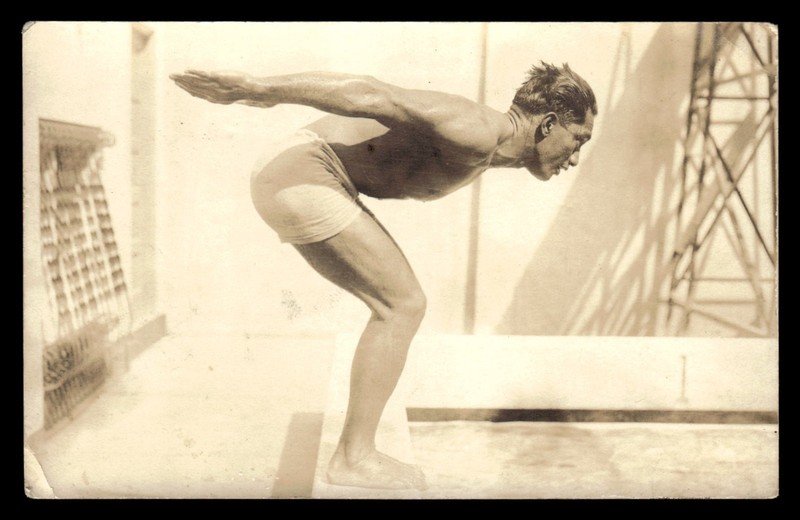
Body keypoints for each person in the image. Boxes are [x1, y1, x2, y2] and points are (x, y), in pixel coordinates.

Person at [170, 63, 597, 490]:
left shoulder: (494, 149)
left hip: (300, 174)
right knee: (402, 305)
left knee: (399, 304)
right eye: (578, 140)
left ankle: (355, 453)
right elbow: (373, 94)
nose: (575, 158)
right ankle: (353, 457)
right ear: (549, 124)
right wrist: (263, 87)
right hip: (304, 168)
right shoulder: (478, 128)